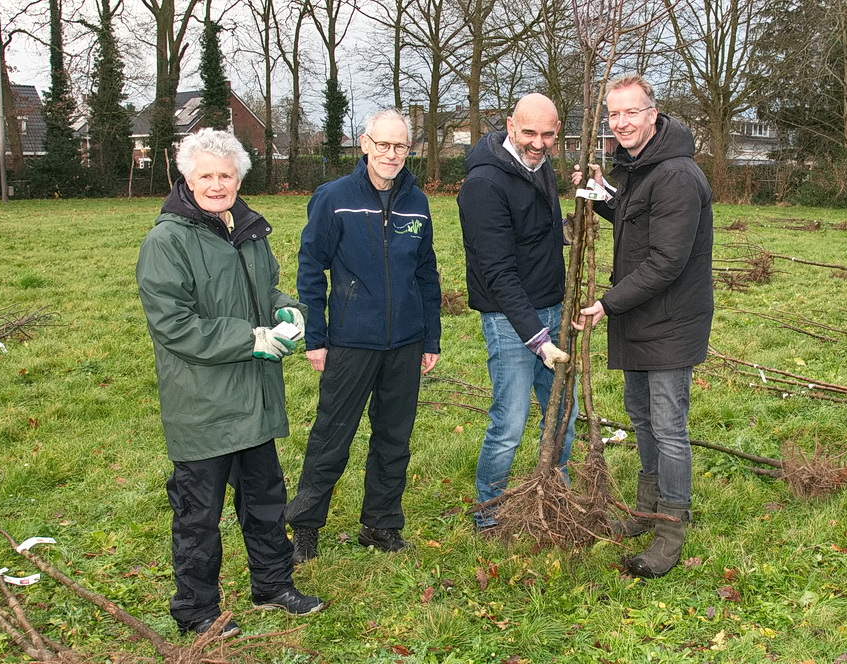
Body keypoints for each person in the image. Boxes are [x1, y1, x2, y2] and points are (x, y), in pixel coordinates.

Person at [136, 128, 324, 638]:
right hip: (203, 404)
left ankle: (272, 586)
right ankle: (197, 611)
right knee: (198, 516)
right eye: (206, 175)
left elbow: (263, 290)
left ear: (239, 177)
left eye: (226, 174)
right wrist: (251, 338)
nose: (217, 184)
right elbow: (174, 325)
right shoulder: (167, 241)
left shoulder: (249, 230)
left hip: (255, 398)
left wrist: (286, 308)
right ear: (186, 178)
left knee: (265, 500)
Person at [284, 108, 442, 563]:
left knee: (394, 438)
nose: (392, 155)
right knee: (332, 438)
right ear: (365, 143)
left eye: (401, 146)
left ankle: (381, 524)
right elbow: (311, 269)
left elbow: (427, 274)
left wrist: (430, 338)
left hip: (406, 342)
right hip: (351, 340)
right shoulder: (334, 198)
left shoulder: (417, 202)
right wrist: (315, 337)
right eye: (383, 145)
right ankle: (306, 528)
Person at [572, 74, 713, 578]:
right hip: (642, 315)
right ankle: (648, 509)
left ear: (653, 114)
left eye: (632, 112)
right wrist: (601, 195)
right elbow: (637, 218)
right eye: (614, 114)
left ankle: (671, 528)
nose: (622, 123)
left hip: (669, 320)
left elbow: (667, 260)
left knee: (668, 426)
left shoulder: (674, 173)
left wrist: (607, 304)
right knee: (642, 416)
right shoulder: (642, 167)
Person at [457, 93, 578, 533]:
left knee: (564, 410)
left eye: (548, 134)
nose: (538, 143)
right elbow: (497, 272)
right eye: (529, 133)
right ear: (510, 126)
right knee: (510, 421)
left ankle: (557, 492)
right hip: (511, 320)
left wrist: (568, 231)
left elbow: (533, 232)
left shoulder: (540, 164)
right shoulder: (484, 184)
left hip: (553, 310)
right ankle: (489, 512)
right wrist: (538, 339)